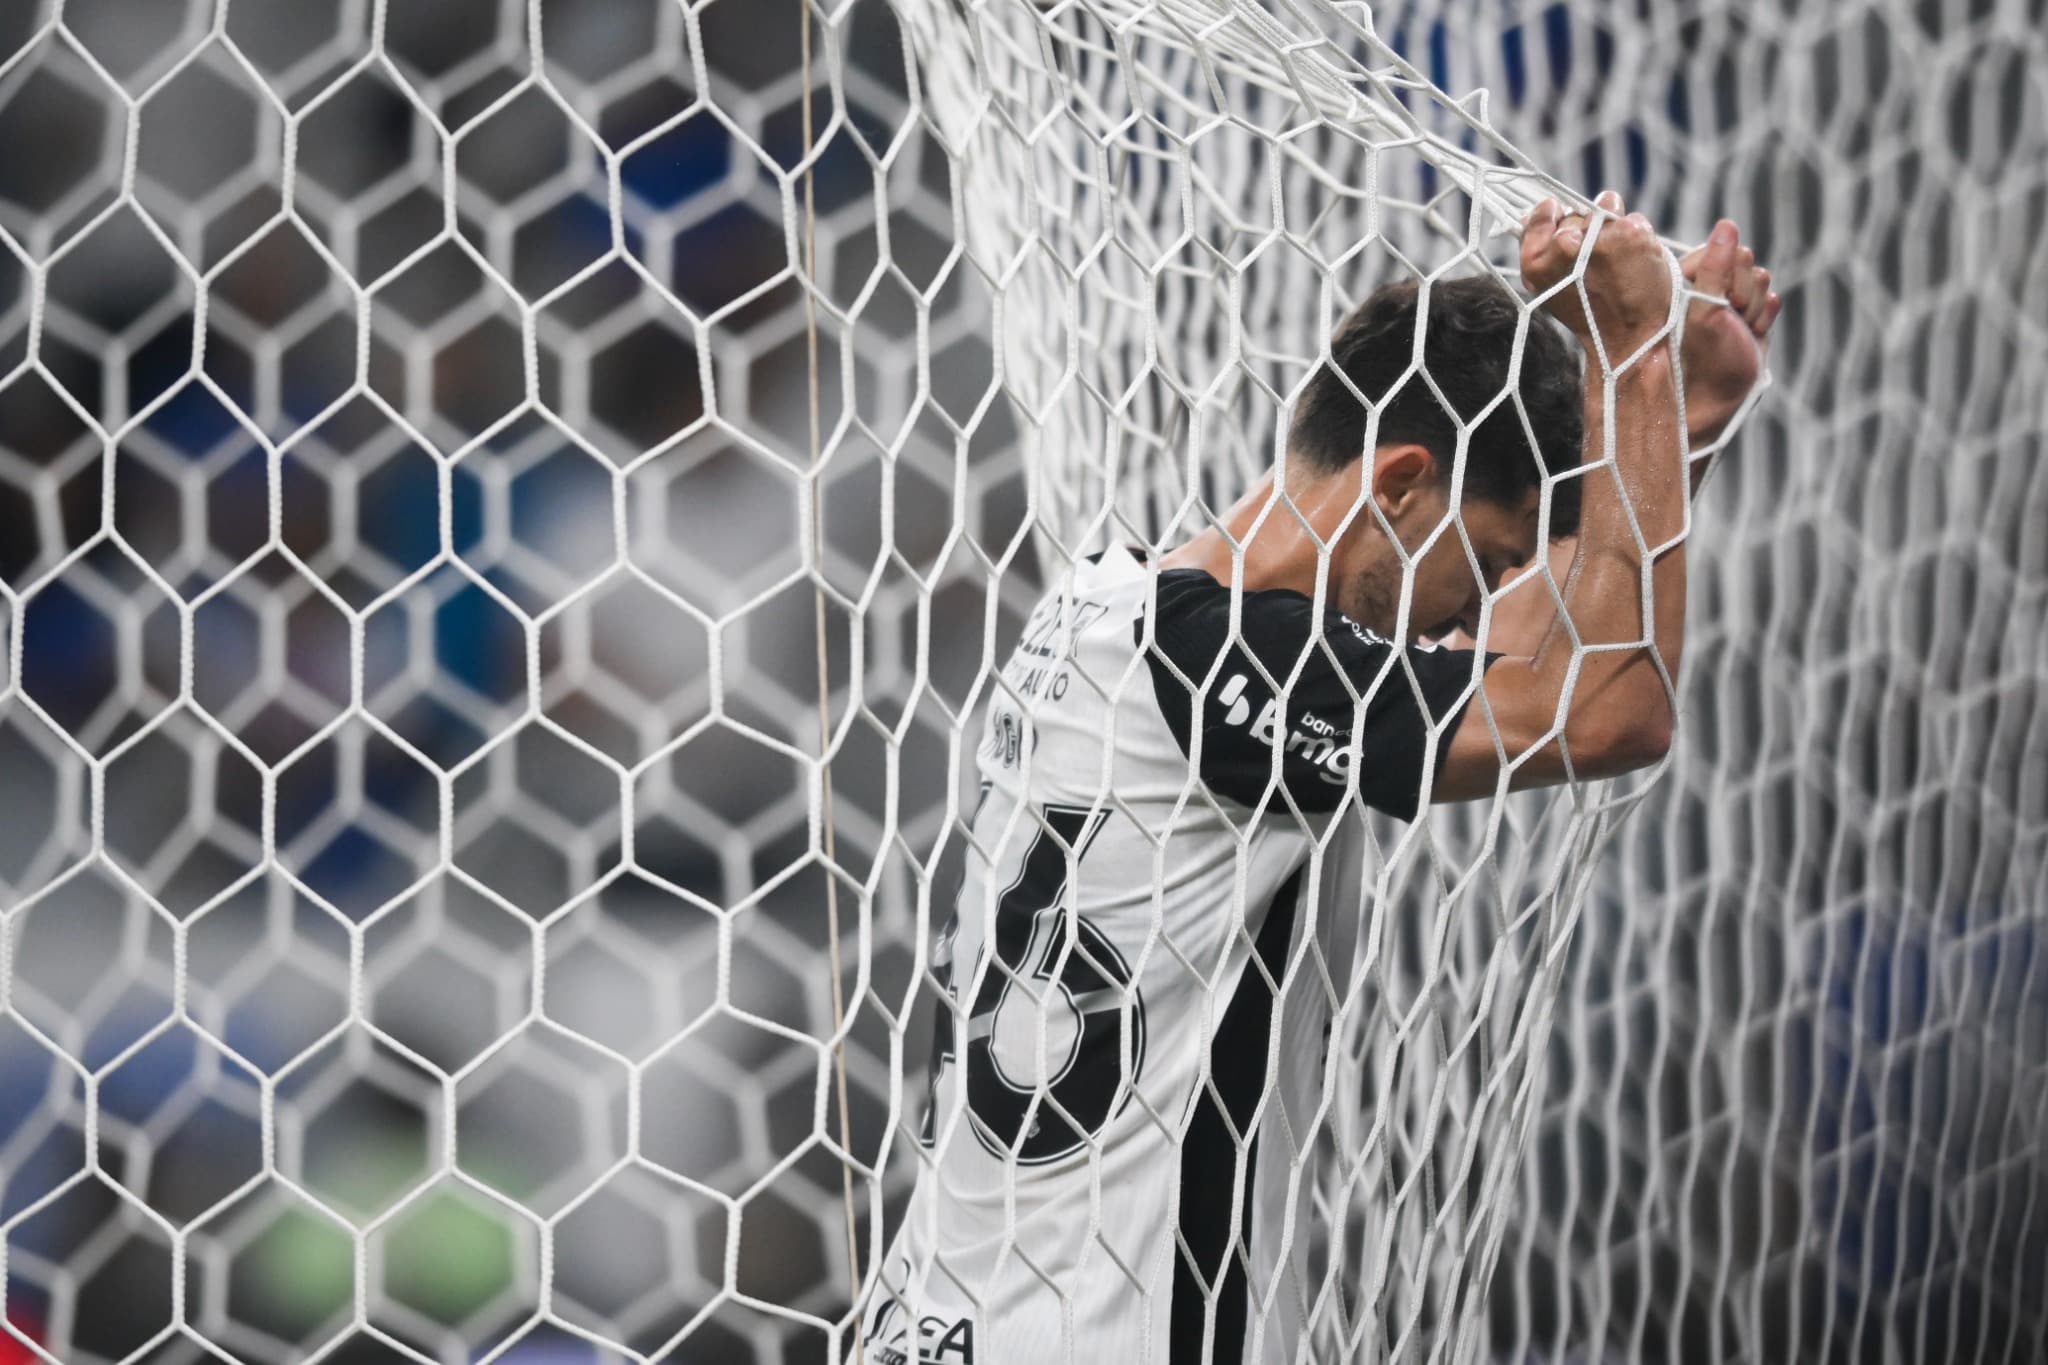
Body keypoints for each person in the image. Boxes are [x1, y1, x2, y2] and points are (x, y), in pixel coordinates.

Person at [861, 191, 1779, 1365]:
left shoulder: (1111, 610)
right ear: (1398, 480)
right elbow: (1606, 708)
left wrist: (1680, 419)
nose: (1478, 607)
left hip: (935, 1323)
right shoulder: (1235, 661)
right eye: (1488, 560)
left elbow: (1549, 666)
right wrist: (1632, 364)